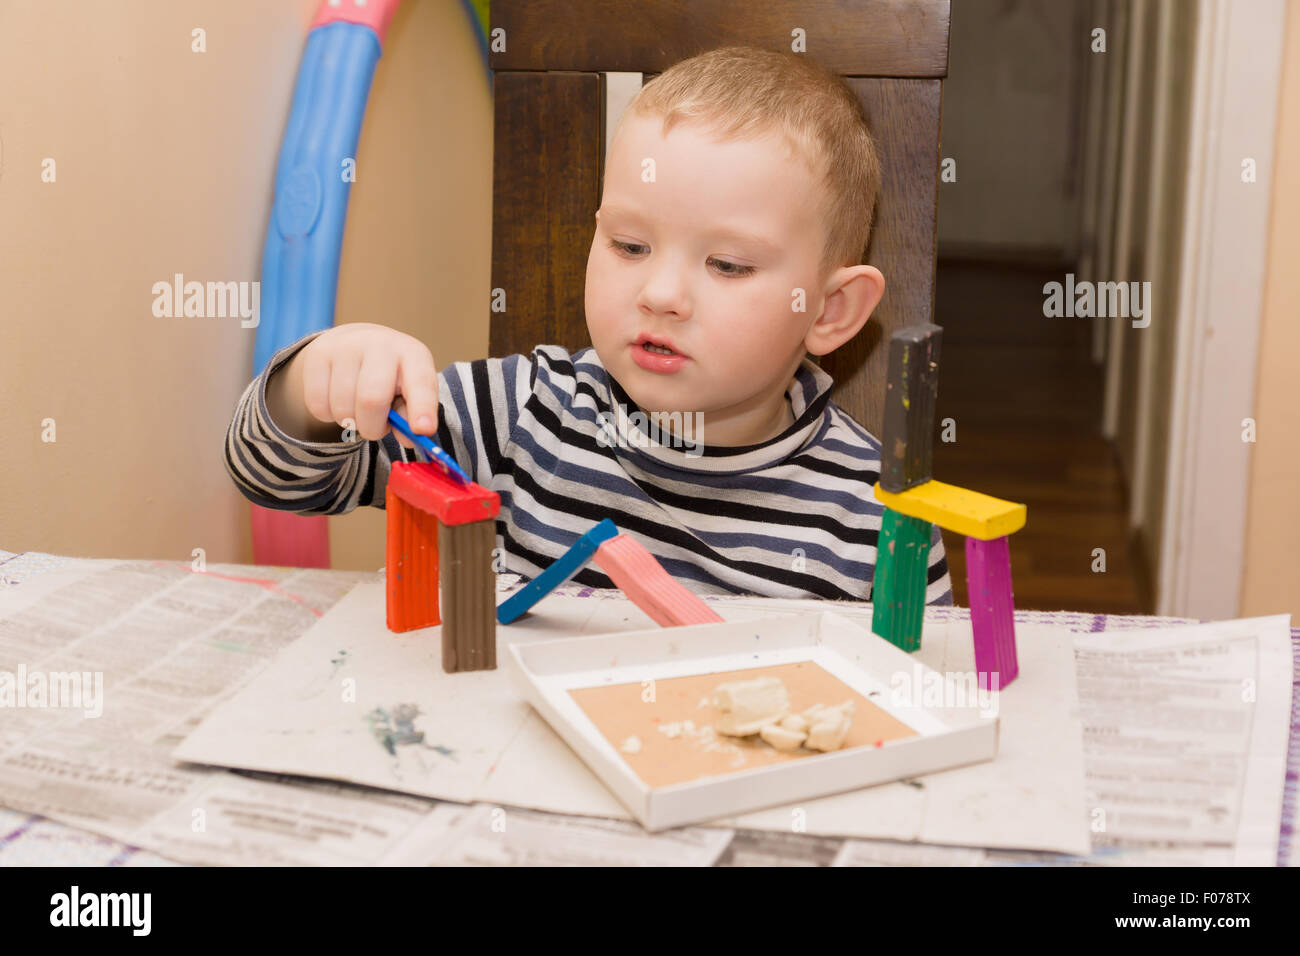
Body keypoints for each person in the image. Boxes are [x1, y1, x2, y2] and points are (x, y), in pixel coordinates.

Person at [226, 45, 953, 604]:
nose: (661, 293)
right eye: (630, 246)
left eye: (727, 265)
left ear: (829, 311)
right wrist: (312, 387)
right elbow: (278, 481)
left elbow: (909, 701)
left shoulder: (878, 515)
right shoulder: (519, 415)